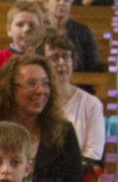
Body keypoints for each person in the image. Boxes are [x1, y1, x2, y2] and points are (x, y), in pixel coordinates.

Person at [0, 53, 84, 182]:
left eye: (46, 84)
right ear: (10, 89)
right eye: (32, 84)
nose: (41, 91)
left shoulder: (64, 132)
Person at [40, 33, 105, 164]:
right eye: (54, 57)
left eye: (66, 56)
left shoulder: (91, 104)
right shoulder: (37, 101)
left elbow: (93, 153)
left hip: (78, 174)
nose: (61, 62)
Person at [42, 0, 102, 73]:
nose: (62, 3)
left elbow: (93, 66)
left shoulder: (84, 32)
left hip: (78, 82)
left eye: (66, 0)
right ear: (46, 4)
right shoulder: (37, 30)